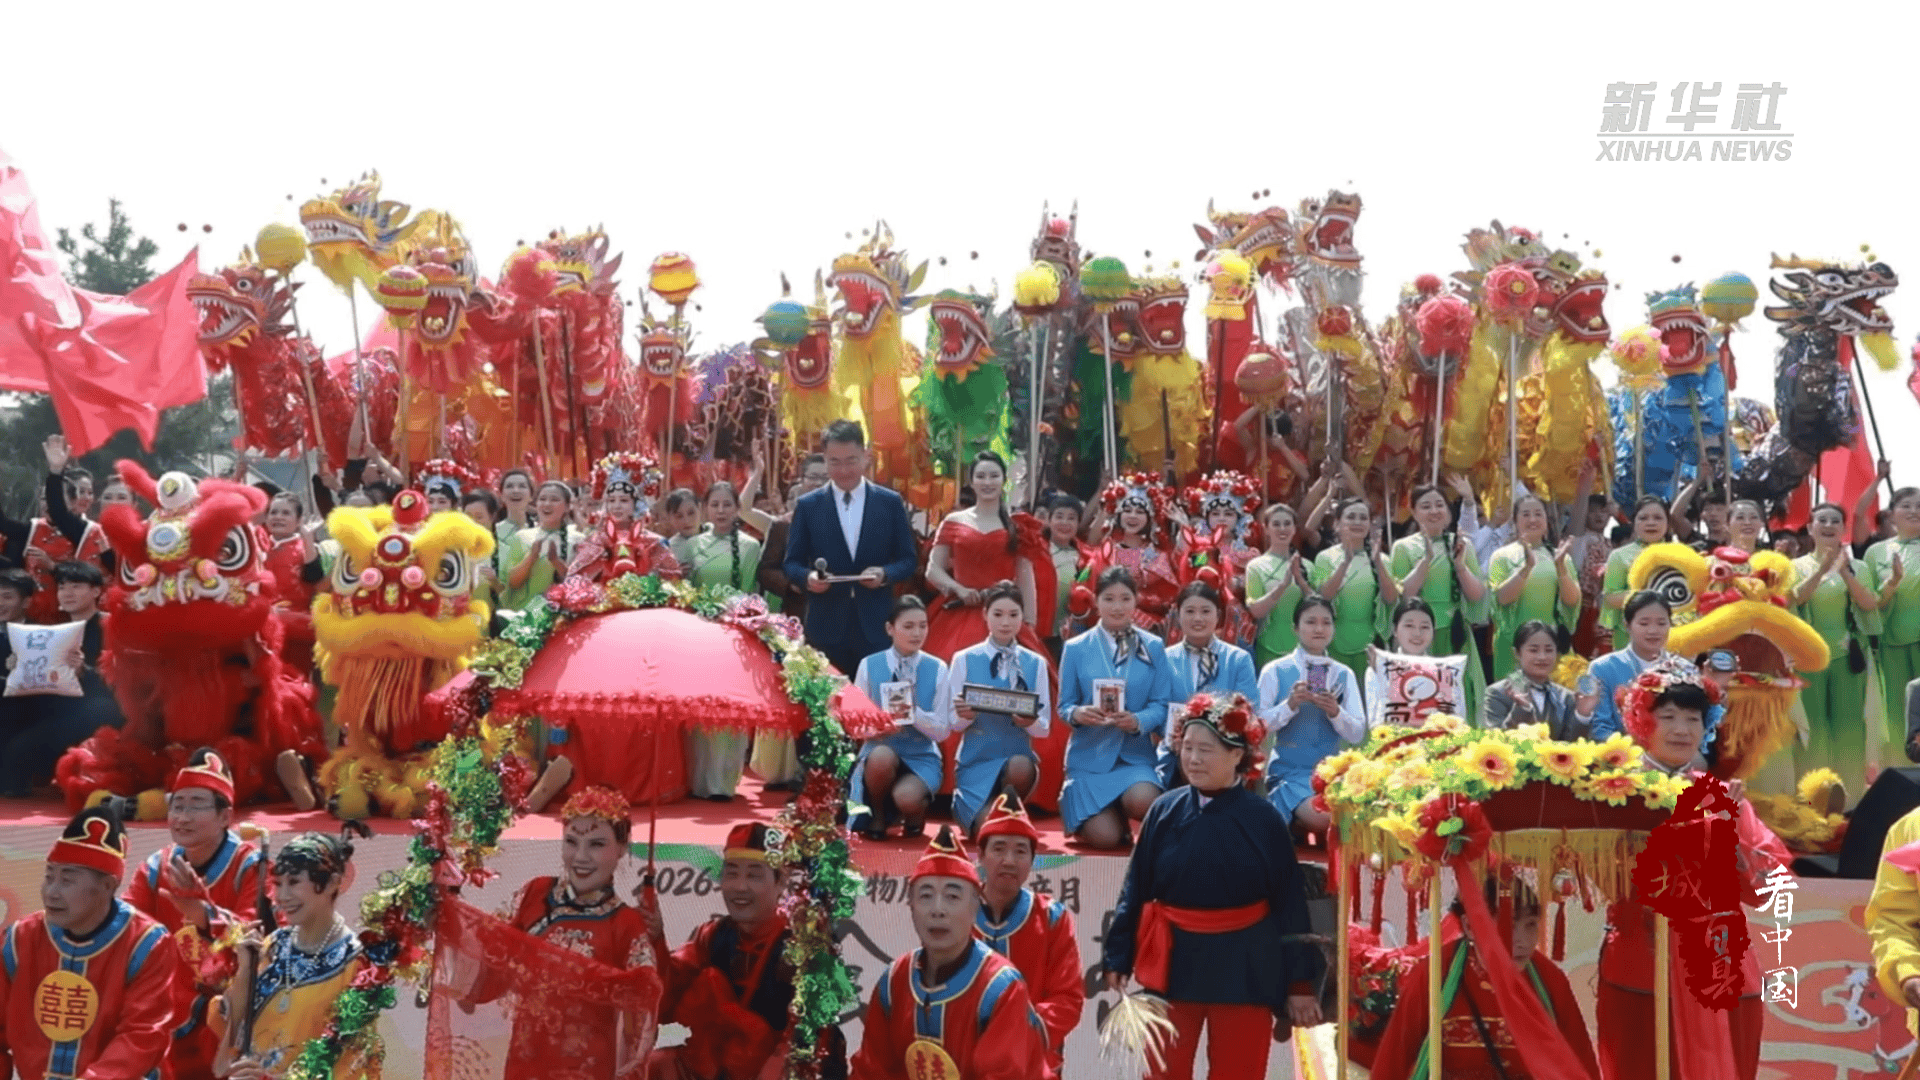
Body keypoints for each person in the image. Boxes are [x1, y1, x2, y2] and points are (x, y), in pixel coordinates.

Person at [1104, 693, 1324, 1080]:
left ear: (1237, 754)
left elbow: (1289, 903)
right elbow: (1135, 888)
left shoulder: (1265, 819)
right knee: (1162, 1073)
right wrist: (1118, 956)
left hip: (1246, 966)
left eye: (1205, 750)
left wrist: (1299, 983)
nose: (1193, 759)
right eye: (1187, 748)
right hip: (1173, 964)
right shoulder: (1163, 810)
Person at [1595, 665, 1788, 1080]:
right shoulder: (1613, 792)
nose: (1682, 729)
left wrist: (1729, 835)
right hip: (1641, 971)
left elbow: (1769, 888)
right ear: (1639, 720)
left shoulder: (1722, 795)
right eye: (1668, 716)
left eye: (1693, 718)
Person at [459, 786, 658, 1080]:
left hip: (586, 1070)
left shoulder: (626, 924)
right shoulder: (534, 894)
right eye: (571, 842)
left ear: (621, 848)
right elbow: (493, 957)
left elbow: (645, 1007)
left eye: (597, 844)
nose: (581, 857)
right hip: (525, 1064)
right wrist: (451, 916)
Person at [648, 822, 847, 1080]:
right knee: (655, 1066)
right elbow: (664, 1001)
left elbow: (804, 1042)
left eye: (754, 875)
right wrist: (655, 940)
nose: (740, 886)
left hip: (782, 1069)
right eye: (732, 873)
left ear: (780, 882)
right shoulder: (712, 936)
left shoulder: (806, 949)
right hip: (720, 1066)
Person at [849, 827, 1049, 1080]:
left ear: (975, 907)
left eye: (952, 896)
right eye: (925, 896)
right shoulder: (894, 981)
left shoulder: (1001, 988)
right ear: (911, 906)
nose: (938, 910)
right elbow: (870, 1070)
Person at [0, 804, 180, 1080]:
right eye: (49, 877)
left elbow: (143, 1035)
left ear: (108, 886)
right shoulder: (19, 940)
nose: (51, 892)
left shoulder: (147, 944)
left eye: (67, 880)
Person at [1369, 870, 1600, 1080]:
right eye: (1508, 925)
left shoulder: (1550, 980)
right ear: (1470, 926)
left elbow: (1581, 1064)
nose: (1522, 941)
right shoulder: (1434, 974)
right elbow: (1393, 1061)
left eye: (1530, 925)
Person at [119, 749, 264, 1080]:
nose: (182, 817)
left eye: (196, 805)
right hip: (166, 1002)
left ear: (225, 816)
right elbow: (127, 928)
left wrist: (203, 913)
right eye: (177, 805)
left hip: (229, 1008)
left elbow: (259, 938)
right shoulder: (156, 868)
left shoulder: (250, 866)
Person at [210, 829, 371, 1079]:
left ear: (332, 883)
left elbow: (351, 1060)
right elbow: (231, 1033)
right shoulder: (274, 944)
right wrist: (246, 971)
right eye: (278, 884)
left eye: (294, 882)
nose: (282, 897)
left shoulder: (355, 963)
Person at [781, 421, 920, 678]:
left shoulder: (889, 503)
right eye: (835, 462)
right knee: (829, 697)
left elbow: (908, 559)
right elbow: (791, 563)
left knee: (876, 696)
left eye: (851, 461)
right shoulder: (808, 506)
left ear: (866, 456)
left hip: (876, 625)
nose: (844, 470)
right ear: (824, 459)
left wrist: (884, 574)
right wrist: (808, 578)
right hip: (825, 626)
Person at [971, 789, 1083, 1077]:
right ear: (980, 855)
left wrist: (1014, 1033)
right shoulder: (958, 914)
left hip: (1032, 1060)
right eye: (998, 849)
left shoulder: (1052, 918)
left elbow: (1068, 999)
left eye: (1020, 851)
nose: (1009, 860)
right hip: (966, 1057)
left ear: (1033, 859)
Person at [1058, 567, 1171, 849]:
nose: (1117, 607)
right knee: (1105, 839)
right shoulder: (1076, 647)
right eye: (1109, 599)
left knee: (1144, 799)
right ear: (1096, 601)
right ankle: (1103, 814)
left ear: (1136, 601)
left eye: (1125, 598)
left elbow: (1161, 704)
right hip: (1088, 758)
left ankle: (1121, 806)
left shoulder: (1153, 646)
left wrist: (1138, 720)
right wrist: (1078, 714)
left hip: (1134, 758)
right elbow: (1064, 705)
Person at [0, 561, 122, 798]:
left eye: (76, 586)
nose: (67, 593)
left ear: (96, 591)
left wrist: (83, 670)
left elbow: (122, 678)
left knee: (20, 752)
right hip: (58, 706)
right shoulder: (56, 630)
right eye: (62, 587)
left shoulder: (111, 626)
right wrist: (19, 667)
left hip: (96, 709)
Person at [943, 582, 1054, 836]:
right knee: (989, 831)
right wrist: (965, 716)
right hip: (975, 761)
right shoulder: (963, 659)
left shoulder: (1035, 662)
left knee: (1020, 767)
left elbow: (1044, 728)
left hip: (1017, 761)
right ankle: (989, 811)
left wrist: (1029, 721)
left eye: (1013, 615)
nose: (1005, 622)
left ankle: (1010, 810)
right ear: (985, 615)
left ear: (1022, 617)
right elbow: (952, 723)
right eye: (998, 614)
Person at [678, 480, 764, 800]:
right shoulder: (692, 546)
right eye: (714, 505)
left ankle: (724, 781)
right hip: (699, 635)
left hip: (735, 635)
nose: (721, 511)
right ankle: (699, 779)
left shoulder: (750, 547)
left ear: (738, 509)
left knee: (730, 708)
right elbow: (684, 590)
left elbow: (753, 592)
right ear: (705, 509)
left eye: (728, 504)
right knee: (700, 707)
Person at [1792, 501, 1884, 799]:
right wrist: (1821, 569)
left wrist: (1845, 573)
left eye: (1835, 521)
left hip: (1848, 659)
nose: (1829, 525)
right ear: (1810, 528)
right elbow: (1795, 599)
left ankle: (1851, 797)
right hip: (1808, 659)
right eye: (1822, 520)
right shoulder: (1796, 566)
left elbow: (1869, 604)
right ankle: (1813, 797)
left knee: (1850, 728)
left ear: (1844, 528)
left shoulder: (1860, 567)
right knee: (1813, 729)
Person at [922, 451, 1048, 662]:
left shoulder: (1018, 526)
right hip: (958, 611)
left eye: (994, 476)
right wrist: (958, 589)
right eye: (981, 476)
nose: (987, 482)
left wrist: (1029, 622)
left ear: (1004, 480)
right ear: (971, 482)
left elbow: (1025, 576)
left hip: (1003, 614)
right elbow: (933, 569)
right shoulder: (954, 521)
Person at [1258, 594, 1367, 834]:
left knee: (1362, 813)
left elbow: (1357, 733)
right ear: (1295, 628)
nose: (1319, 629)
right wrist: (1290, 705)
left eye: (1326, 622)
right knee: (1326, 818)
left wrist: (1335, 711)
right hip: (1290, 772)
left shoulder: (1343, 674)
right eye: (1310, 622)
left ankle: (1296, 823)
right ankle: (1293, 815)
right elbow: (1258, 725)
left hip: (1332, 773)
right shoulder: (1275, 670)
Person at [849, 597, 951, 840]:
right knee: (881, 756)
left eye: (923, 626)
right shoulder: (868, 665)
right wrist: (878, 728)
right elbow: (855, 724)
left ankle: (915, 813)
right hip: (880, 749)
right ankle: (878, 813)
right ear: (890, 628)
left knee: (907, 797)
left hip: (921, 754)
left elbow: (943, 731)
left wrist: (913, 713)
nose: (917, 633)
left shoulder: (938, 667)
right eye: (908, 626)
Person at [1389, 478, 1489, 694]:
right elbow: (1403, 596)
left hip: (1455, 632)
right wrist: (1426, 561)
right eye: (1426, 506)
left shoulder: (1462, 544)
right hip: (1419, 635)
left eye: (1439, 505)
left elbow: (1476, 595)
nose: (1434, 511)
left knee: (1458, 696)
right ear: (1414, 512)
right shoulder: (1403, 547)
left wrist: (1460, 566)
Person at [1158, 581, 1259, 789]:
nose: (1198, 618)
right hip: (1175, 755)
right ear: (1178, 615)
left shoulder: (1238, 659)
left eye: (1205, 611)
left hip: (1223, 757)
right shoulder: (1164, 659)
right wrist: (1174, 737)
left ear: (1218, 616)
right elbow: (1157, 708)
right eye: (1190, 611)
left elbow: (1250, 710)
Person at [1486, 493, 1579, 681]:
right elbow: (1502, 599)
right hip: (1513, 644)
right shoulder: (1501, 556)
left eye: (1538, 514)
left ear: (1546, 520)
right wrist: (1526, 568)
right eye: (1526, 514)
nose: (1533, 520)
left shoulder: (1560, 557)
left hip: (1551, 643)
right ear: (1515, 521)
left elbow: (1572, 601)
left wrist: (1560, 568)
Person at [22, 435, 111, 621]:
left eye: (89, 492)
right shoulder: (75, 529)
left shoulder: (142, 533)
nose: (85, 497)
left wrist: (52, 566)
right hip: (53, 615)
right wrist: (55, 471)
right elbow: (58, 510)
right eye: (81, 492)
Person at [1081, 475, 1182, 638]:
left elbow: (1169, 597)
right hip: (1106, 626)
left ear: (1150, 518)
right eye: (1127, 511)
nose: (1132, 516)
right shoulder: (1106, 551)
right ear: (1118, 515)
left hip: (1147, 630)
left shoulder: (1157, 554)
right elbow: (1083, 582)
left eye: (1140, 512)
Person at [1310, 497, 1395, 686]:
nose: (1357, 522)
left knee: (1368, 698)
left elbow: (1390, 599)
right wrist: (1345, 563)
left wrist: (1378, 563)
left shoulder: (1382, 559)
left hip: (1370, 643)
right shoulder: (1324, 557)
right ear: (1337, 524)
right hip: (1330, 642)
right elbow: (1324, 597)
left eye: (1363, 518)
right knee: (1327, 695)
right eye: (1351, 517)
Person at [1589, 592, 1693, 741]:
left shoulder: (1684, 669)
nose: (1653, 631)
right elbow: (1600, 728)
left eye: (1661, 623)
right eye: (1644, 623)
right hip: (1623, 751)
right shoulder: (1603, 668)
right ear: (1627, 626)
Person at [1867, 487, 1920, 760]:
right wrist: (1893, 582)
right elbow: (1870, 602)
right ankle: (1901, 769)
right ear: (1891, 514)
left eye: (1919, 506)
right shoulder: (1876, 552)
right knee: (1896, 711)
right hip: (1890, 641)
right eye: (1906, 505)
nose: (1914, 511)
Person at [570, 456, 680, 584]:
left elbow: (673, 580)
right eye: (612, 500)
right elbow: (575, 581)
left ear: (636, 504)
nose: (617, 506)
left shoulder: (653, 542)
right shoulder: (595, 541)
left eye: (624, 500)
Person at [1482, 621, 1600, 739]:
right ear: (1517, 653)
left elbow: (1571, 744)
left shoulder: (1566, 697)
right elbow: (1496, 740)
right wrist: (1523, 708)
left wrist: (1582, 714)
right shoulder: (1497, 693)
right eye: (1533, 650)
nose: (1542, 657)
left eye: (1549, 650)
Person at [1364, 597, 1471, 728]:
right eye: (1409, 626)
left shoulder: (1446, 670)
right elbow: (1375, 718)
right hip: (1395, 738)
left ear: (1433, 632)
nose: (1417, 633)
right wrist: (1381, 674)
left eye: (1425, 627)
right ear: (1395, 630)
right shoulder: (1379, 668)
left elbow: (1458, 716)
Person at [756, 452, 829, 621]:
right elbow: (766, 571)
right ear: (802, 480)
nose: (819, 483)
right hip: (797, 613)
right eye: (813, 477)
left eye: (826, 478)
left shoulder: (847, 521)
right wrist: (791, 584)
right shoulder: (784, 525)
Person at [1598, 496, 1672, 652]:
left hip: (1671, 636)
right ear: (1634, 523)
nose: (1651, 523)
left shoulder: (1681, 554)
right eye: (1643, 518)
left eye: (1658, 518)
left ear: (1668, 523)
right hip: (1628, 638)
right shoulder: (1619, 556)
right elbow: (1610, 598)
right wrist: (1650, 594)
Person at [263, 492, 324, 668]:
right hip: (261, 623)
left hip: (296, 626)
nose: (278, 517)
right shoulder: (256, 545)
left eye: (286, 513)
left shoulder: (306, 548)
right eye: (273, 512)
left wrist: (307, 539)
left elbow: (314, 577)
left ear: (298, 521)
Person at [505, 481, 586, 611]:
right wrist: (531, 557)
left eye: (554, 499)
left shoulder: (578, 539)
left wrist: (556, 561)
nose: (547, 504)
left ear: (567, 507)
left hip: (565, 614)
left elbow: (580, 584)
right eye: (542, 499)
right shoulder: (521, 537)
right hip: (526, 613)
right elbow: (512, 583)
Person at [1044, 494, 1088, 656]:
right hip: (1040, 632)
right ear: (1049, 520)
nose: (1065, 523)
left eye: (1071, 518)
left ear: (1078, 524)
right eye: (1059, 516)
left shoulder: (1083, 556)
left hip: (1070, 634)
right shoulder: (1037, 551)